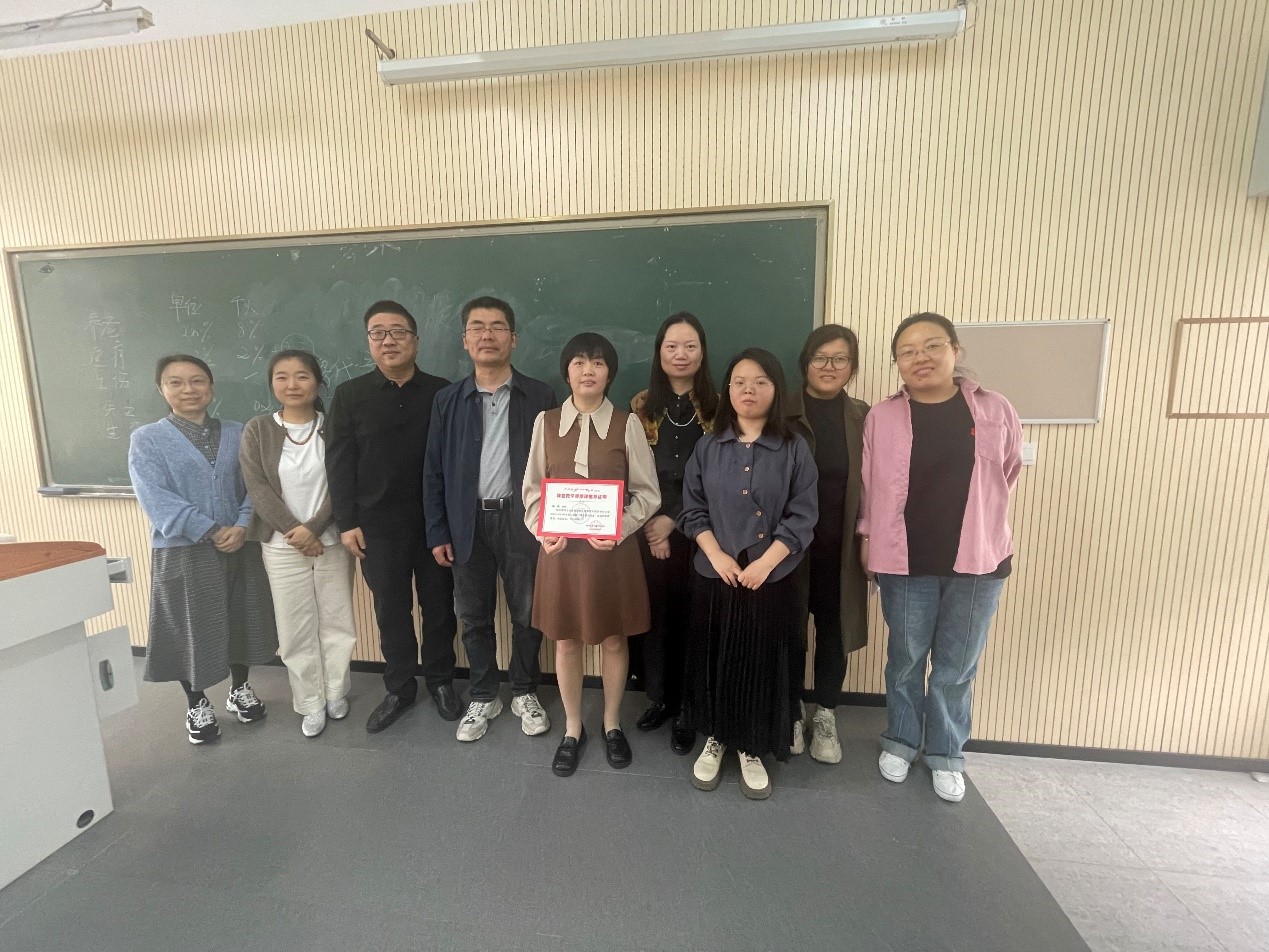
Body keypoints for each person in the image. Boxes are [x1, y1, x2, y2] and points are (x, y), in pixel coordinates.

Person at [859, 312, 1022, 803]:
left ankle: (947, 754)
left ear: (955, 350)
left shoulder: (994, 409)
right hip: (904, 559)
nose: (920, 358)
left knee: (957, 665)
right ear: (897, 363)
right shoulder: (882, 416)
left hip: (978, 560)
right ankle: (901, 741)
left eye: (932, 346)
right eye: (907, 351)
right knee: (906, 659)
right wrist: (867, 538)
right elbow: (869, 485)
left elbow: (1008, 470)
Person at [678, 348, 818, 800]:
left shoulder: (794, 447)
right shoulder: (708, 445)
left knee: (759, 664)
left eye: (760, 382)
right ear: (727, 390)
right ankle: (716, 738)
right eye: (739, 382)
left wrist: (765, 562)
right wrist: (717, 555)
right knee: (715, 658)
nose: (748, 390)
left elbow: (803, 516)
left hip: (771, 576)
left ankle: (751, 746)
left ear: (776, 390)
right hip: (715, 573)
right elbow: (693, 509)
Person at [522, 332, 660, 777]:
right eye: (579, 362)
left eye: (598, 363)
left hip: (611, 553)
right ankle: (572, 728)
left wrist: (619, 529)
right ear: (567, 371)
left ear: (609, 373)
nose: (588, 370)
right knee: (566, 640)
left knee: (615, 639)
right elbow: (532, 490)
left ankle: (612, 723)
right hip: (561, 554)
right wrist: (542, 531)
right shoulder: (545, 423)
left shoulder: (627, 424)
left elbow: (648, 493)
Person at [424, 296, 557, 743]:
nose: (487, 334)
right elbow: (433, 471)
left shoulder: (540, 396)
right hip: (467, 524)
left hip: (523, 521)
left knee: (528, 611)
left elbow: (555, 466)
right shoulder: (448, 400)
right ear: (464, 340)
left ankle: (524, 690)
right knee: (474, 615)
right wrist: (438, 531)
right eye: (477, 327)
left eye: (497, 326)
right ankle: (484, 694)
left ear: (513, 339)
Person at [128, 354, 277, 744]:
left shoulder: (238, 432)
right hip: (183, 549)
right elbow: (156, 497)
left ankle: (239, 689)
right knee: (188, 625)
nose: (188, 389)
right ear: (161, 389)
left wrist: (242, 525)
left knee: (243, 616)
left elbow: (256, 485)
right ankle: (196, 703)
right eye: (175, 382)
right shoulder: (146, 439)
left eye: (197, 381)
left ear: (211, 386)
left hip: (241, 544)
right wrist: (210, 530)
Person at [325, 301, 459, 734]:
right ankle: (400, 689)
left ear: (416, 341)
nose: (388, 340)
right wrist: (346, 522)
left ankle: (441, 681)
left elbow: (455, 460)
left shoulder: (442, 392)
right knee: (391, 612)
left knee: (440, 609)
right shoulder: (349, 395)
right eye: (378, 333)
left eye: (398, 331)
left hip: (434, 525)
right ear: (369, 343)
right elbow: (339, 462)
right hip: (376, 529)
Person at [240, 349, 356, 738]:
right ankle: (309, 702)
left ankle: (336, 692)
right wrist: (296, 530)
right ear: (272, 384)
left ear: (318, 383)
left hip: (332, 540)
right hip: (281, 545)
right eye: (282, 377)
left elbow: (345, 479)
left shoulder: (334, 426)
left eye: (302, 376)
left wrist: (316, 527)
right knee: (294, 627)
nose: (292, 384)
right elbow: (257, 486)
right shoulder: (258, 430)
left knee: (338, 621)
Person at [630, 312, 719, 755]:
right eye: (671, 346)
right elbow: (630, 471)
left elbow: (722, 476)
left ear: (702, 352)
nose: (680, 354)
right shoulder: (640, 407)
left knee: (695, 617)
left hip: (706, 532)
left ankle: (690, 706)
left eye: (690, 345)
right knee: (656, 615)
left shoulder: (721, 407)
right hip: (648, 529)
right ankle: (660, 697)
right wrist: (654, 523)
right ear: (659, 352)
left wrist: (675, 519)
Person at [786, 325, 870, 764]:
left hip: (843, 549)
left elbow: (879, 484)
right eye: (820, 357)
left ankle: (825, 715)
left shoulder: (863, 417)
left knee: (835, 632)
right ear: (805, 362)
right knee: (790, 633)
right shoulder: (781, 411)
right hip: (788, 550)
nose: (829, 366)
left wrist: (870, 538)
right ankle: (790, 709)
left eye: (840, 359)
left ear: (852, 368)